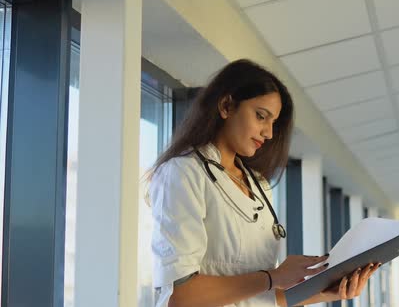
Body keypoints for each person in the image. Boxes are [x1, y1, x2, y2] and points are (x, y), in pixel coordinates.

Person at [148, 59, 380, 307]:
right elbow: (181, 296)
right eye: (261, 116)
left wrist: (327, 292)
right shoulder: (183, 173)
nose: (268, 133)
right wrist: (273, 277)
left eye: (273, 123)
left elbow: (260, 299)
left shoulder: (259, 186)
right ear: (226, 106)